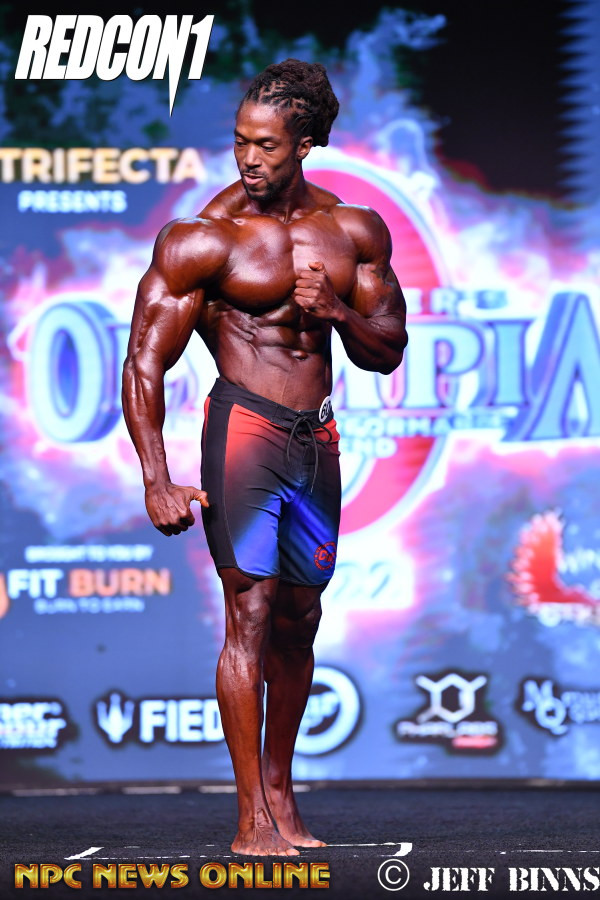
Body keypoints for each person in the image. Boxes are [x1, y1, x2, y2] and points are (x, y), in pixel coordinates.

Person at [122, 59, 408, 857]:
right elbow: (144, 361)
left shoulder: (354, 231)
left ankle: (281, 789)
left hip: (317, 440)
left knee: (300, 619)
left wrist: (338, 310)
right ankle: (250, 815)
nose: (248, 159)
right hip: (244, 432)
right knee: (249, 614)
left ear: (305, 144)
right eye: (240, 142)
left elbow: (388, 349)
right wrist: (156, 477)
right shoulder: (203, 238)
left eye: (267, 145)